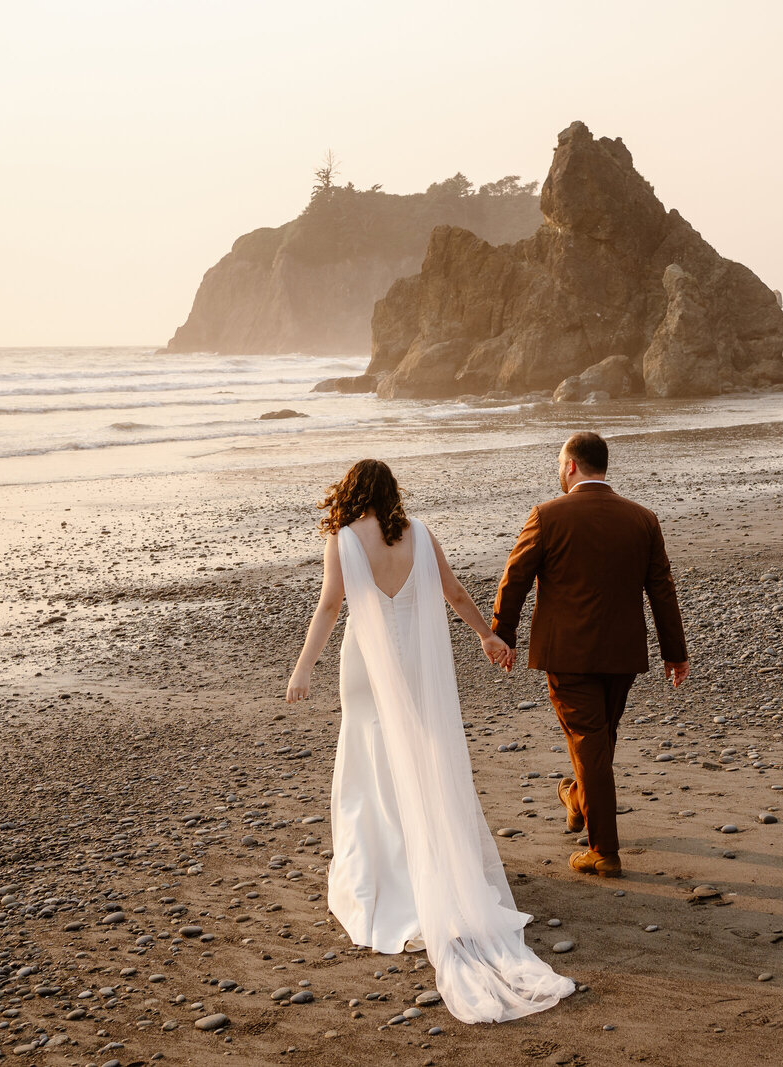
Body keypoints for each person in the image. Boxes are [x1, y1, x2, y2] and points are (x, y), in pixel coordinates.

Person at [284, 459, 574, 1024]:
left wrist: (302, 670)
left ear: (351, 494)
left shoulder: (345, 540)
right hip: (417, 666)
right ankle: (432, 865)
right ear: (392, 493)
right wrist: (487, 636)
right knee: (418, 757)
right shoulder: (419, 534)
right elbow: (455, 592)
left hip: (367, 667)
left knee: (370, 762)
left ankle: (387, 878)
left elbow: (329, 607)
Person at [492, 432, 689, 879]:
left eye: (560, 464)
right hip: (623, 653)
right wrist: (674, 653)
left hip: (568, 653)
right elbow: (662, 590)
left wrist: (503, 633)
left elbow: (515, 577)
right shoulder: (643, 519)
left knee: (589, 743)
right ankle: (577, 799)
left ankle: (603, 850)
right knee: (598, 741)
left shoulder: (547, 516)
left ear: (572, 467)